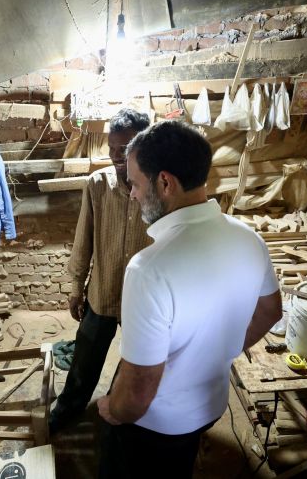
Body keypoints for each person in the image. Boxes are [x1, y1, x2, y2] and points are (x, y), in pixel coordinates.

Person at [97, 120, 282, 479]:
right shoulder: (249, 239)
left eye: (135, 183)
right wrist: (217, 352)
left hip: (158, 424)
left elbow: (136, 394)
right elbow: (270, 311)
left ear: (165, 182)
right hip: (209, 404)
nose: (132, 194)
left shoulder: (148, 268)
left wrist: (112, 409)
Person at [50, 109, 153, 432]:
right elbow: (84, 240)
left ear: (143, 148)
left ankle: (116, 416)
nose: (115, 156)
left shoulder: (158, 190)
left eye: (123, 149)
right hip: (103, 291)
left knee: (136, 365)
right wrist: (75, 287)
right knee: (84, 358)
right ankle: (67, 409)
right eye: (111, 148)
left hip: (143, 300)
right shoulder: (97, 184)